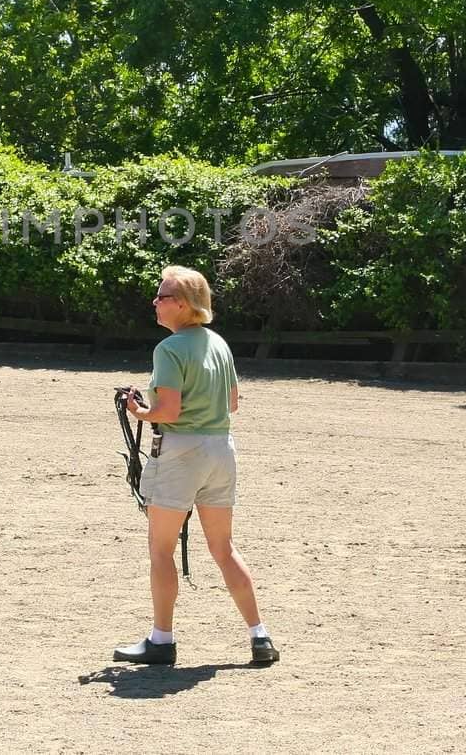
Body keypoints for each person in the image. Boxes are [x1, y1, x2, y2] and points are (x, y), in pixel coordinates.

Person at [113, 265, 279, 667]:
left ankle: (161, 641)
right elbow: (233, 403)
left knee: (161, 549)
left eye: (162, 296)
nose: (156, 301)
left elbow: (169, 410)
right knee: (223, 548)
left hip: (182, 453)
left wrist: (139, 410)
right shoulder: (219, 343)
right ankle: (260, 637)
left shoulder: (168, 349)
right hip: (221, 449)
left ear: (183, 305)